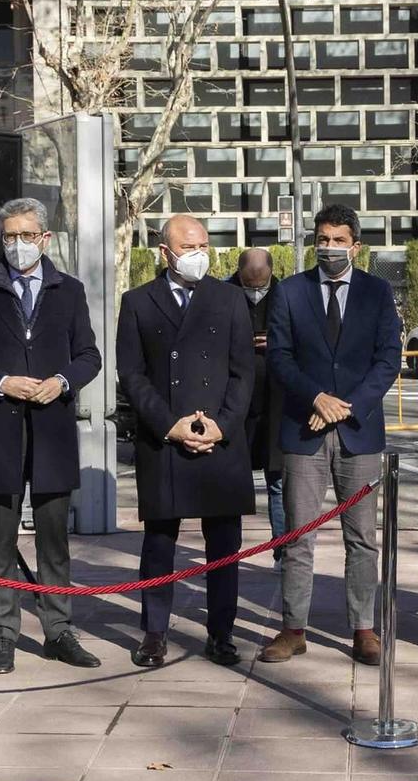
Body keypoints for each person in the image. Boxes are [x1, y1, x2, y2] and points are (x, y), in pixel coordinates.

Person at [0, 196, 104, 675]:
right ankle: (4, 634)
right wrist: (1, 382)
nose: (18, 245)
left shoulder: (69, 290)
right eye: (10, 236)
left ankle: (58, 631)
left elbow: (89, 355)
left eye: (27, 235)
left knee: (54, 540)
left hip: (52, 431)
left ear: (45, 238)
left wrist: (62, 382)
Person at [264, 205, 402, 666]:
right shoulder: (290, 291)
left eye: (339, 240)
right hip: (304, 429)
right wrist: (316, 398)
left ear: (355, 246)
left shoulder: (377, 292)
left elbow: (388, 358)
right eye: (323, 238)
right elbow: (279, 357)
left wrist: (347, 406)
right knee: (298, 535)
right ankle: (293, 628)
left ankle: (363, 627)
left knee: (361, 536)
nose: (330, 247)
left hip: (358, 430)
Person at [116, 214, 254, 668]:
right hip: (165, 439)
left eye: (203, 245)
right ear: (165, 252)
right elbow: (131, 375)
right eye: (188, 246)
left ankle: (222, 633)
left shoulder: (230, 299)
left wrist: (224, 424)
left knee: (223, 545)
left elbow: (243, 372)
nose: (198, 254)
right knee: (159, 544)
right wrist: (167, 424)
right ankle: (154, 632)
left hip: (219, 438)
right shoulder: (138, 302)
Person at [231, 247, 287, 568]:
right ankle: (228, 556)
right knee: (234, 486)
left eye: (260, 285)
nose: (254, 292)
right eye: (248, 285)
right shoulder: (224, 295)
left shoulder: (287, 296)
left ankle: (282, 551)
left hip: (276, 406)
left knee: (277, 483)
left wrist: (276, 342)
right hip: (236, 406)